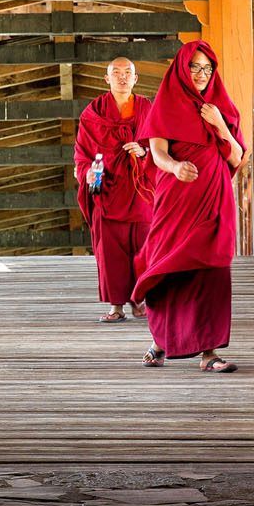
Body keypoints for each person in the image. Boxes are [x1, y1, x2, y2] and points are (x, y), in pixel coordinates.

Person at [132, 40, 244, 372]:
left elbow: (236, 156)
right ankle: (161, 341)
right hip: (176, 200)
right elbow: (157, 153)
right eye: (194, 66)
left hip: (214, 200)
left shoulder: (220, 106)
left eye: (207, 69)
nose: (201, 74)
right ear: (182, 68)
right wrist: (175, 168)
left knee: (212, 269)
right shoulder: (166, 103)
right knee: (170, 268)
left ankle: (209, 353)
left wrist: (220, 123)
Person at [74, 58, 155, 323]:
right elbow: (82, 153)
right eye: (116, 73)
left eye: (128, 73)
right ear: (106, 79)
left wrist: (143, 151)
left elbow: (161, 144)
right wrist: (88, 171)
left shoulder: (147, 108)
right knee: (109, 251)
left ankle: (140, 299)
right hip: (107, 189)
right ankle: (116, 305)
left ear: (136, 78)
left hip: (140, 189)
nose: (123, 78)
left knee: (143, 246)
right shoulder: (93, 113)